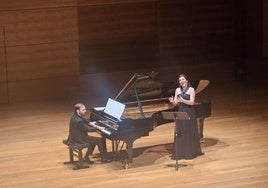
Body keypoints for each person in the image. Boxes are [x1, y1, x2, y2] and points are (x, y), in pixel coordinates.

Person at [169, 74, 203, 160]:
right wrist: (173, 101)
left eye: (183, 79)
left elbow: (192, 102)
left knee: (189, 131)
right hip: (181, 111)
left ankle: (190, 152)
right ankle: (181, 153)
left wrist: (182, 100)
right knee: (181, 131)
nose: (181, 81)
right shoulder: (177, 90)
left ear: (186, 80)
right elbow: (176, 103)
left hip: (189, 112)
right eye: (180, 80)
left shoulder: (191, 90)